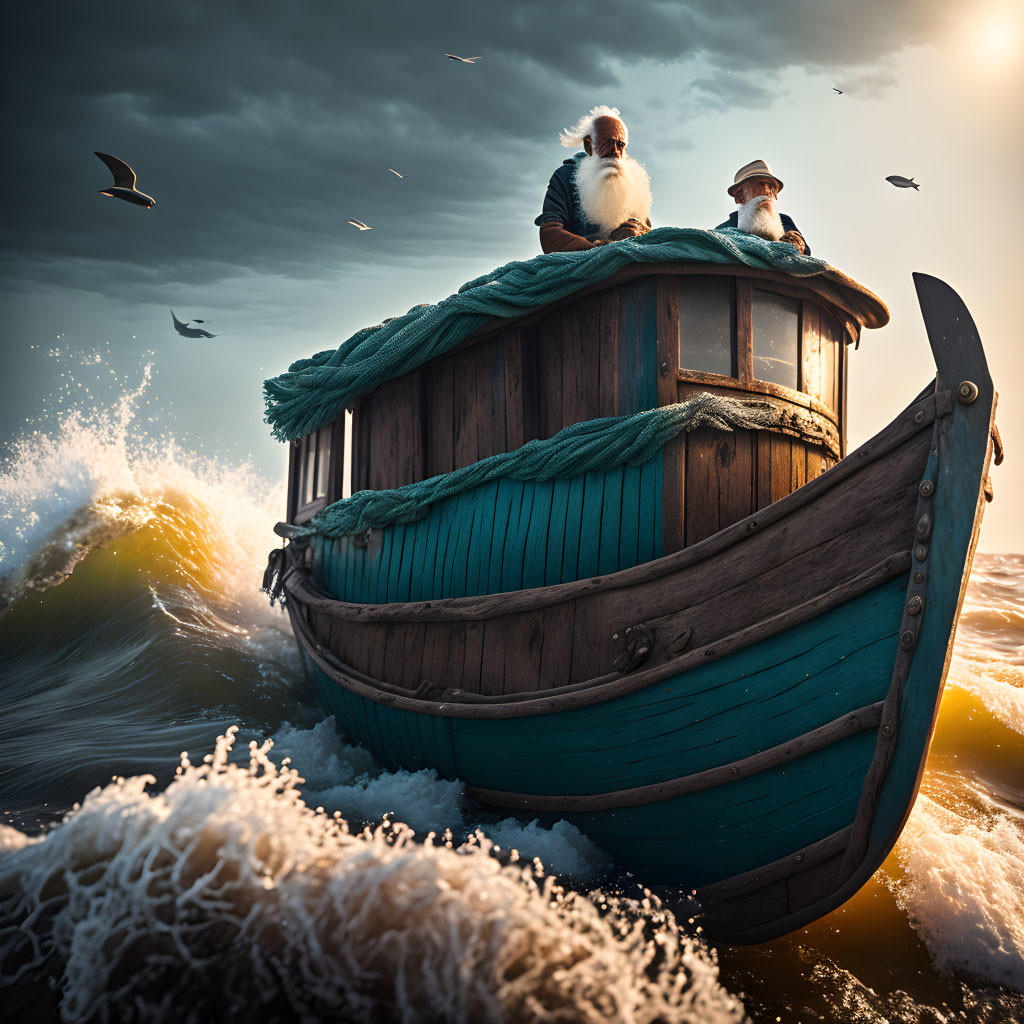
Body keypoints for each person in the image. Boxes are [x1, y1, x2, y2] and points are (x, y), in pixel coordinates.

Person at [535, 105, 653, 253]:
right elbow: (550, 236)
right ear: (588, 145)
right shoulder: (565, 177)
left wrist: (639, 232)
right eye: (608, 143)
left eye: (621, 145)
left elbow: (648, 234)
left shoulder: (632, 182)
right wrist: (602, 249)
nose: (616, 152)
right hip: (581, 267)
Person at [716, 159, 810, 255]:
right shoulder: (723, 231)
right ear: (739, 197)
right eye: (760, 184)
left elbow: (805, 254)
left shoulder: (785, 221)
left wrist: (795, 243)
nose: (766, 190)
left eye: (770, 187)